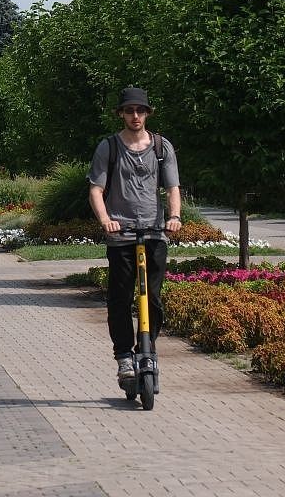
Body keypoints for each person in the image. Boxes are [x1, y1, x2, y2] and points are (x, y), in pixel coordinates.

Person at [87, 86, 180, 388]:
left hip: (154, 233)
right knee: (120, 298)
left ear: (148, 113)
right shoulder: (109, 147)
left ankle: (148, 350)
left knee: (151, 297)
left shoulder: (161, 148)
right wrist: (106, 220)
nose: (135, 115)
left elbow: (172, 189)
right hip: (122, 235)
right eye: (129, 111)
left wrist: (175, 218)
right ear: (121, 114)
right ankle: (125, 356)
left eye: (140, 110)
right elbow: (96, 190)